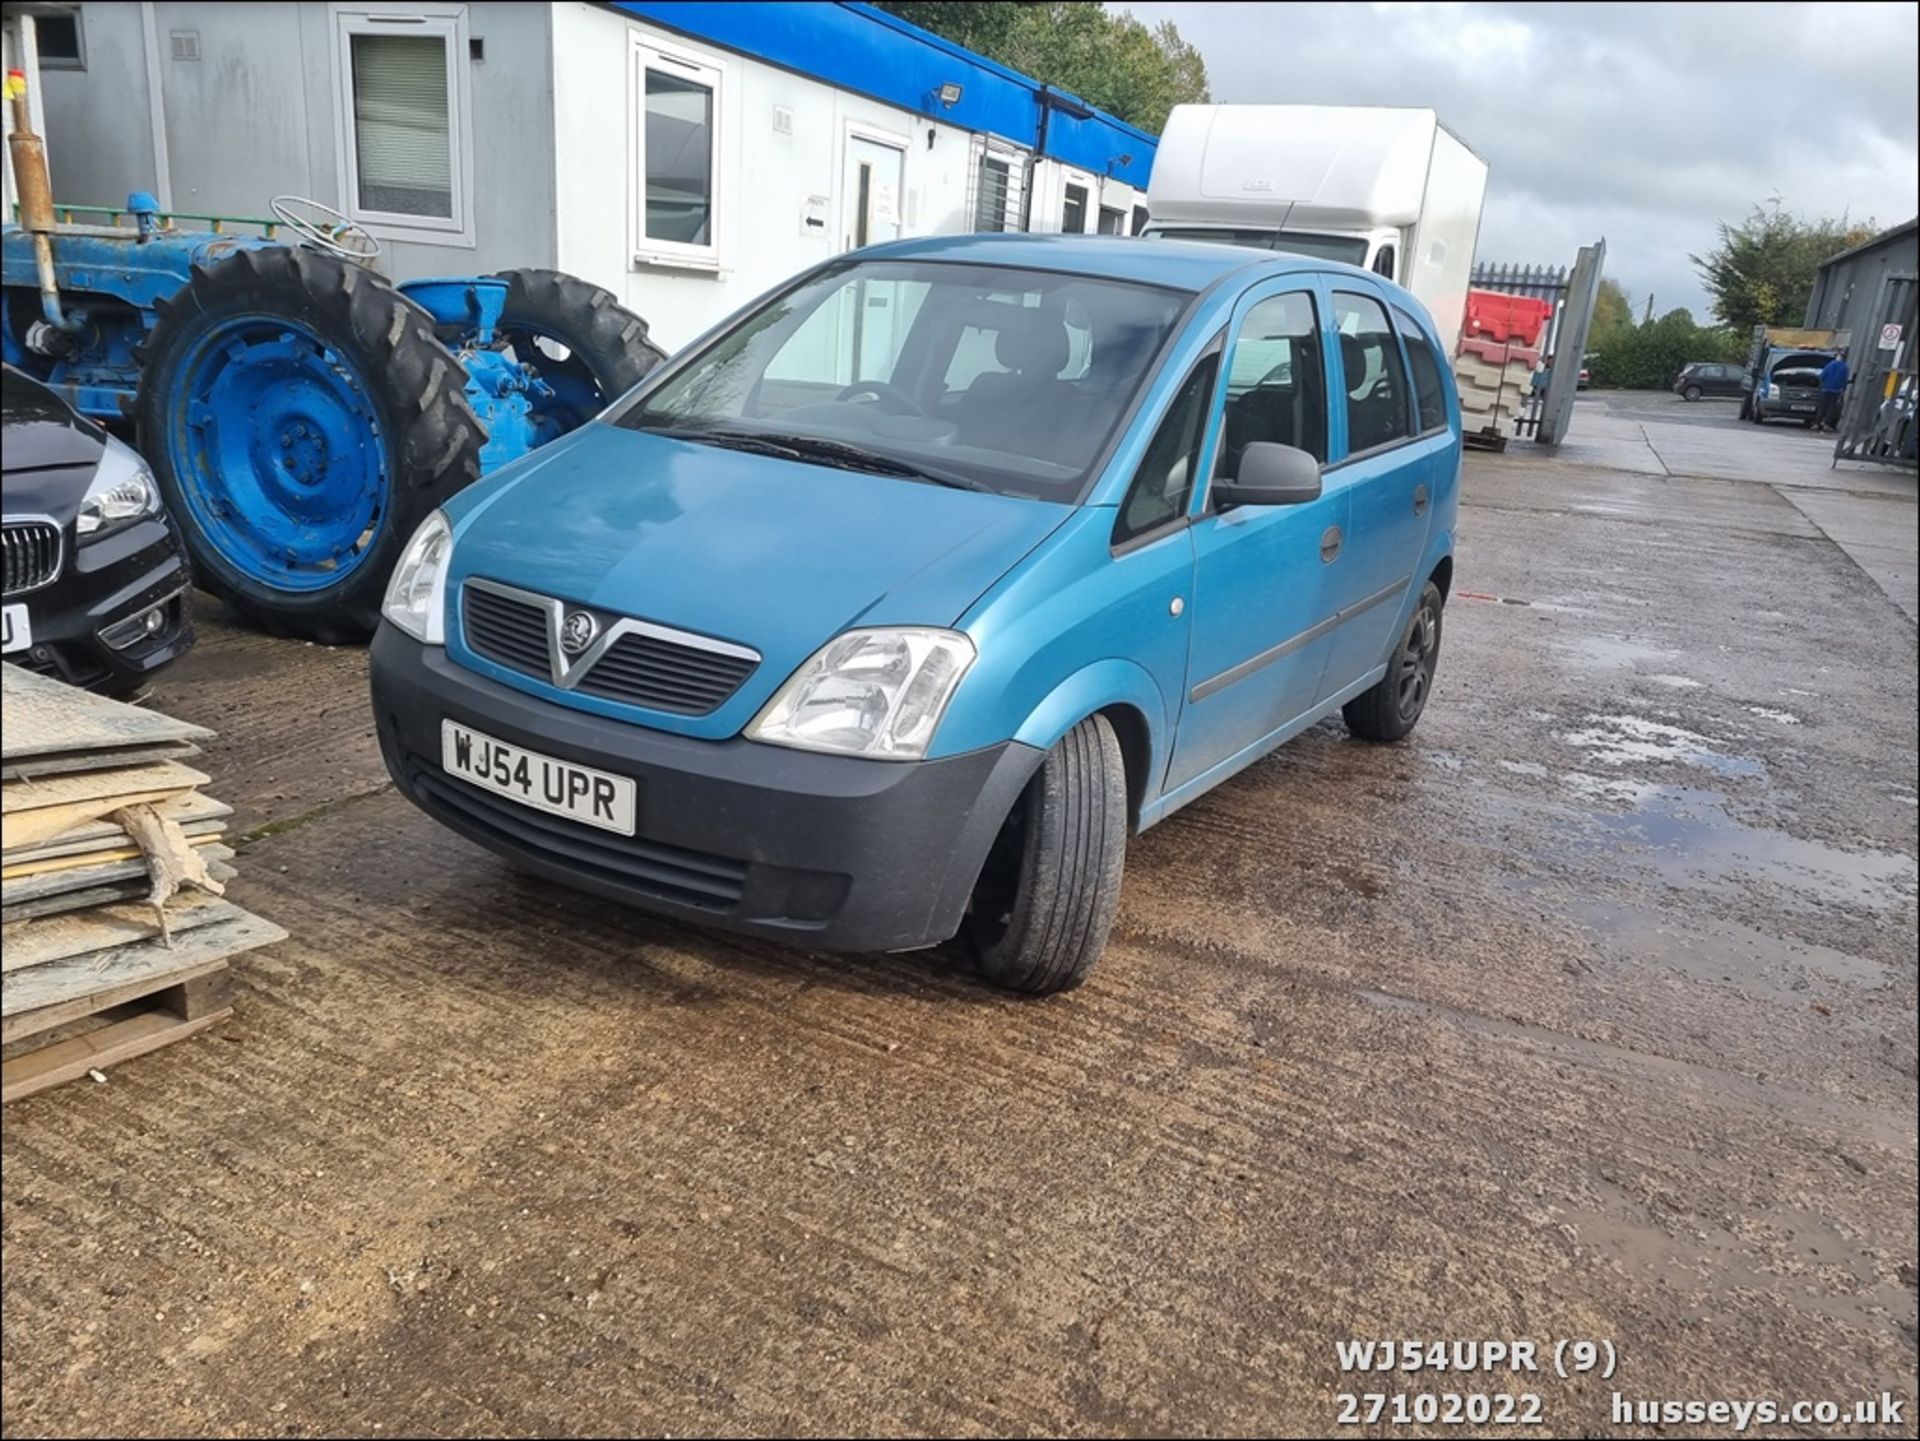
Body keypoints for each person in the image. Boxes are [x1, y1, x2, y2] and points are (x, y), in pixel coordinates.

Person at [1816, 350, 1849, 432]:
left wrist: (1822, 385)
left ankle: (1817, 423)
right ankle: (1826, 424)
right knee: (1831, 408)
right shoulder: (1844, 367)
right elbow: (1844, 380)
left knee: (1822, 407)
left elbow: (1822, 376)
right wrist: (1843, 389)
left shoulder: (1829, 365)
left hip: (1825, 389)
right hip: (1836, 391)